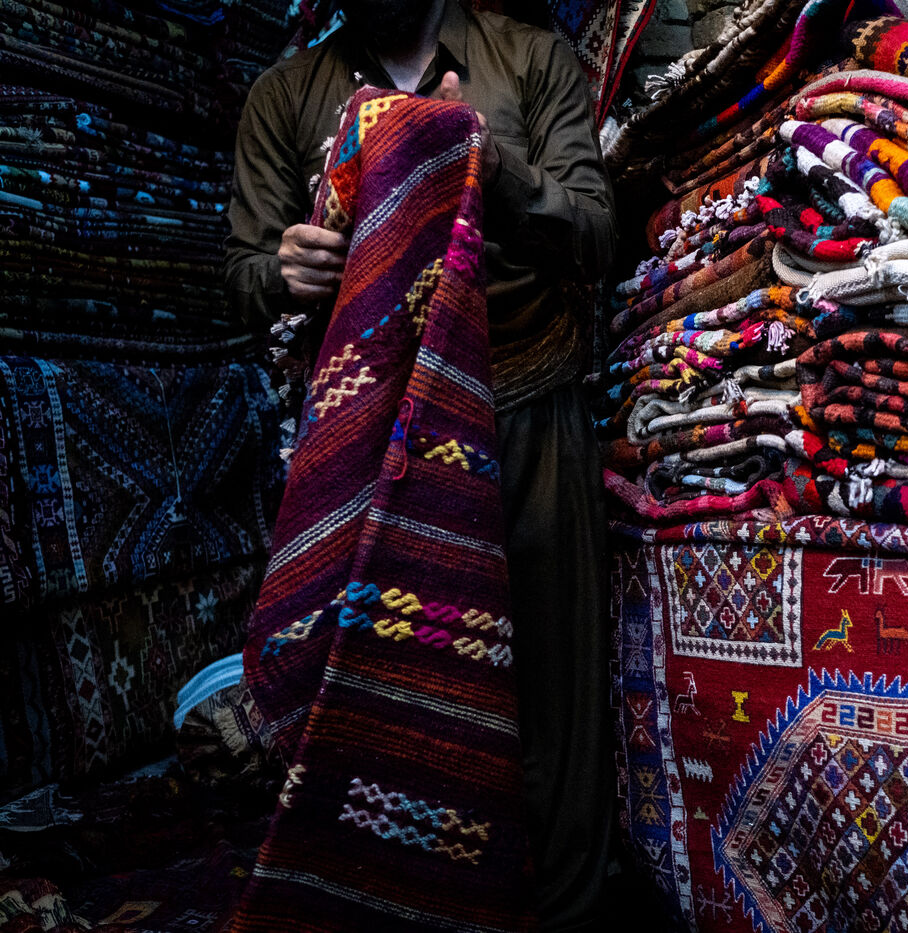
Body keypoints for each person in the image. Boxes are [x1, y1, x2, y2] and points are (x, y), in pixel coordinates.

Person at [224, 2, 617, 930]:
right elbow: (241, 271)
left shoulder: (531, 61)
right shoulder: (286, 95)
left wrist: (479, 162)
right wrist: (285, 269)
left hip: (523, 406)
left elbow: (598, 233)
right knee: (379, 694)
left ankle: (564, 912)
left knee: (552, 705)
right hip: (373, 436)